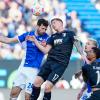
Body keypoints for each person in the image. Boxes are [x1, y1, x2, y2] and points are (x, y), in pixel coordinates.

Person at [26, 18, 86, 100]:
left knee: (47, 87)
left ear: (61, 23)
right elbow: (45, 50)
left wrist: (82, 54)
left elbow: (77, 43)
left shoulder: (70, 33)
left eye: (54, 23)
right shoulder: (52, 37)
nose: (53, 25)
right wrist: (35, 41)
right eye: (52, 24)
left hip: (60, 64)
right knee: (36, 83)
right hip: (49, 62)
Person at [0, 19, 49, 100]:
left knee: (27, 97)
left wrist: (36, 41)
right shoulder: (28, 35)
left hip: (34, 71)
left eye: (45, 29)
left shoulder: (47, 38)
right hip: (23, 68)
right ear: (37, 26)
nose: (44, 31)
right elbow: (8, 40)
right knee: (13, 93)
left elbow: (45, 49)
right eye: (42, 28)